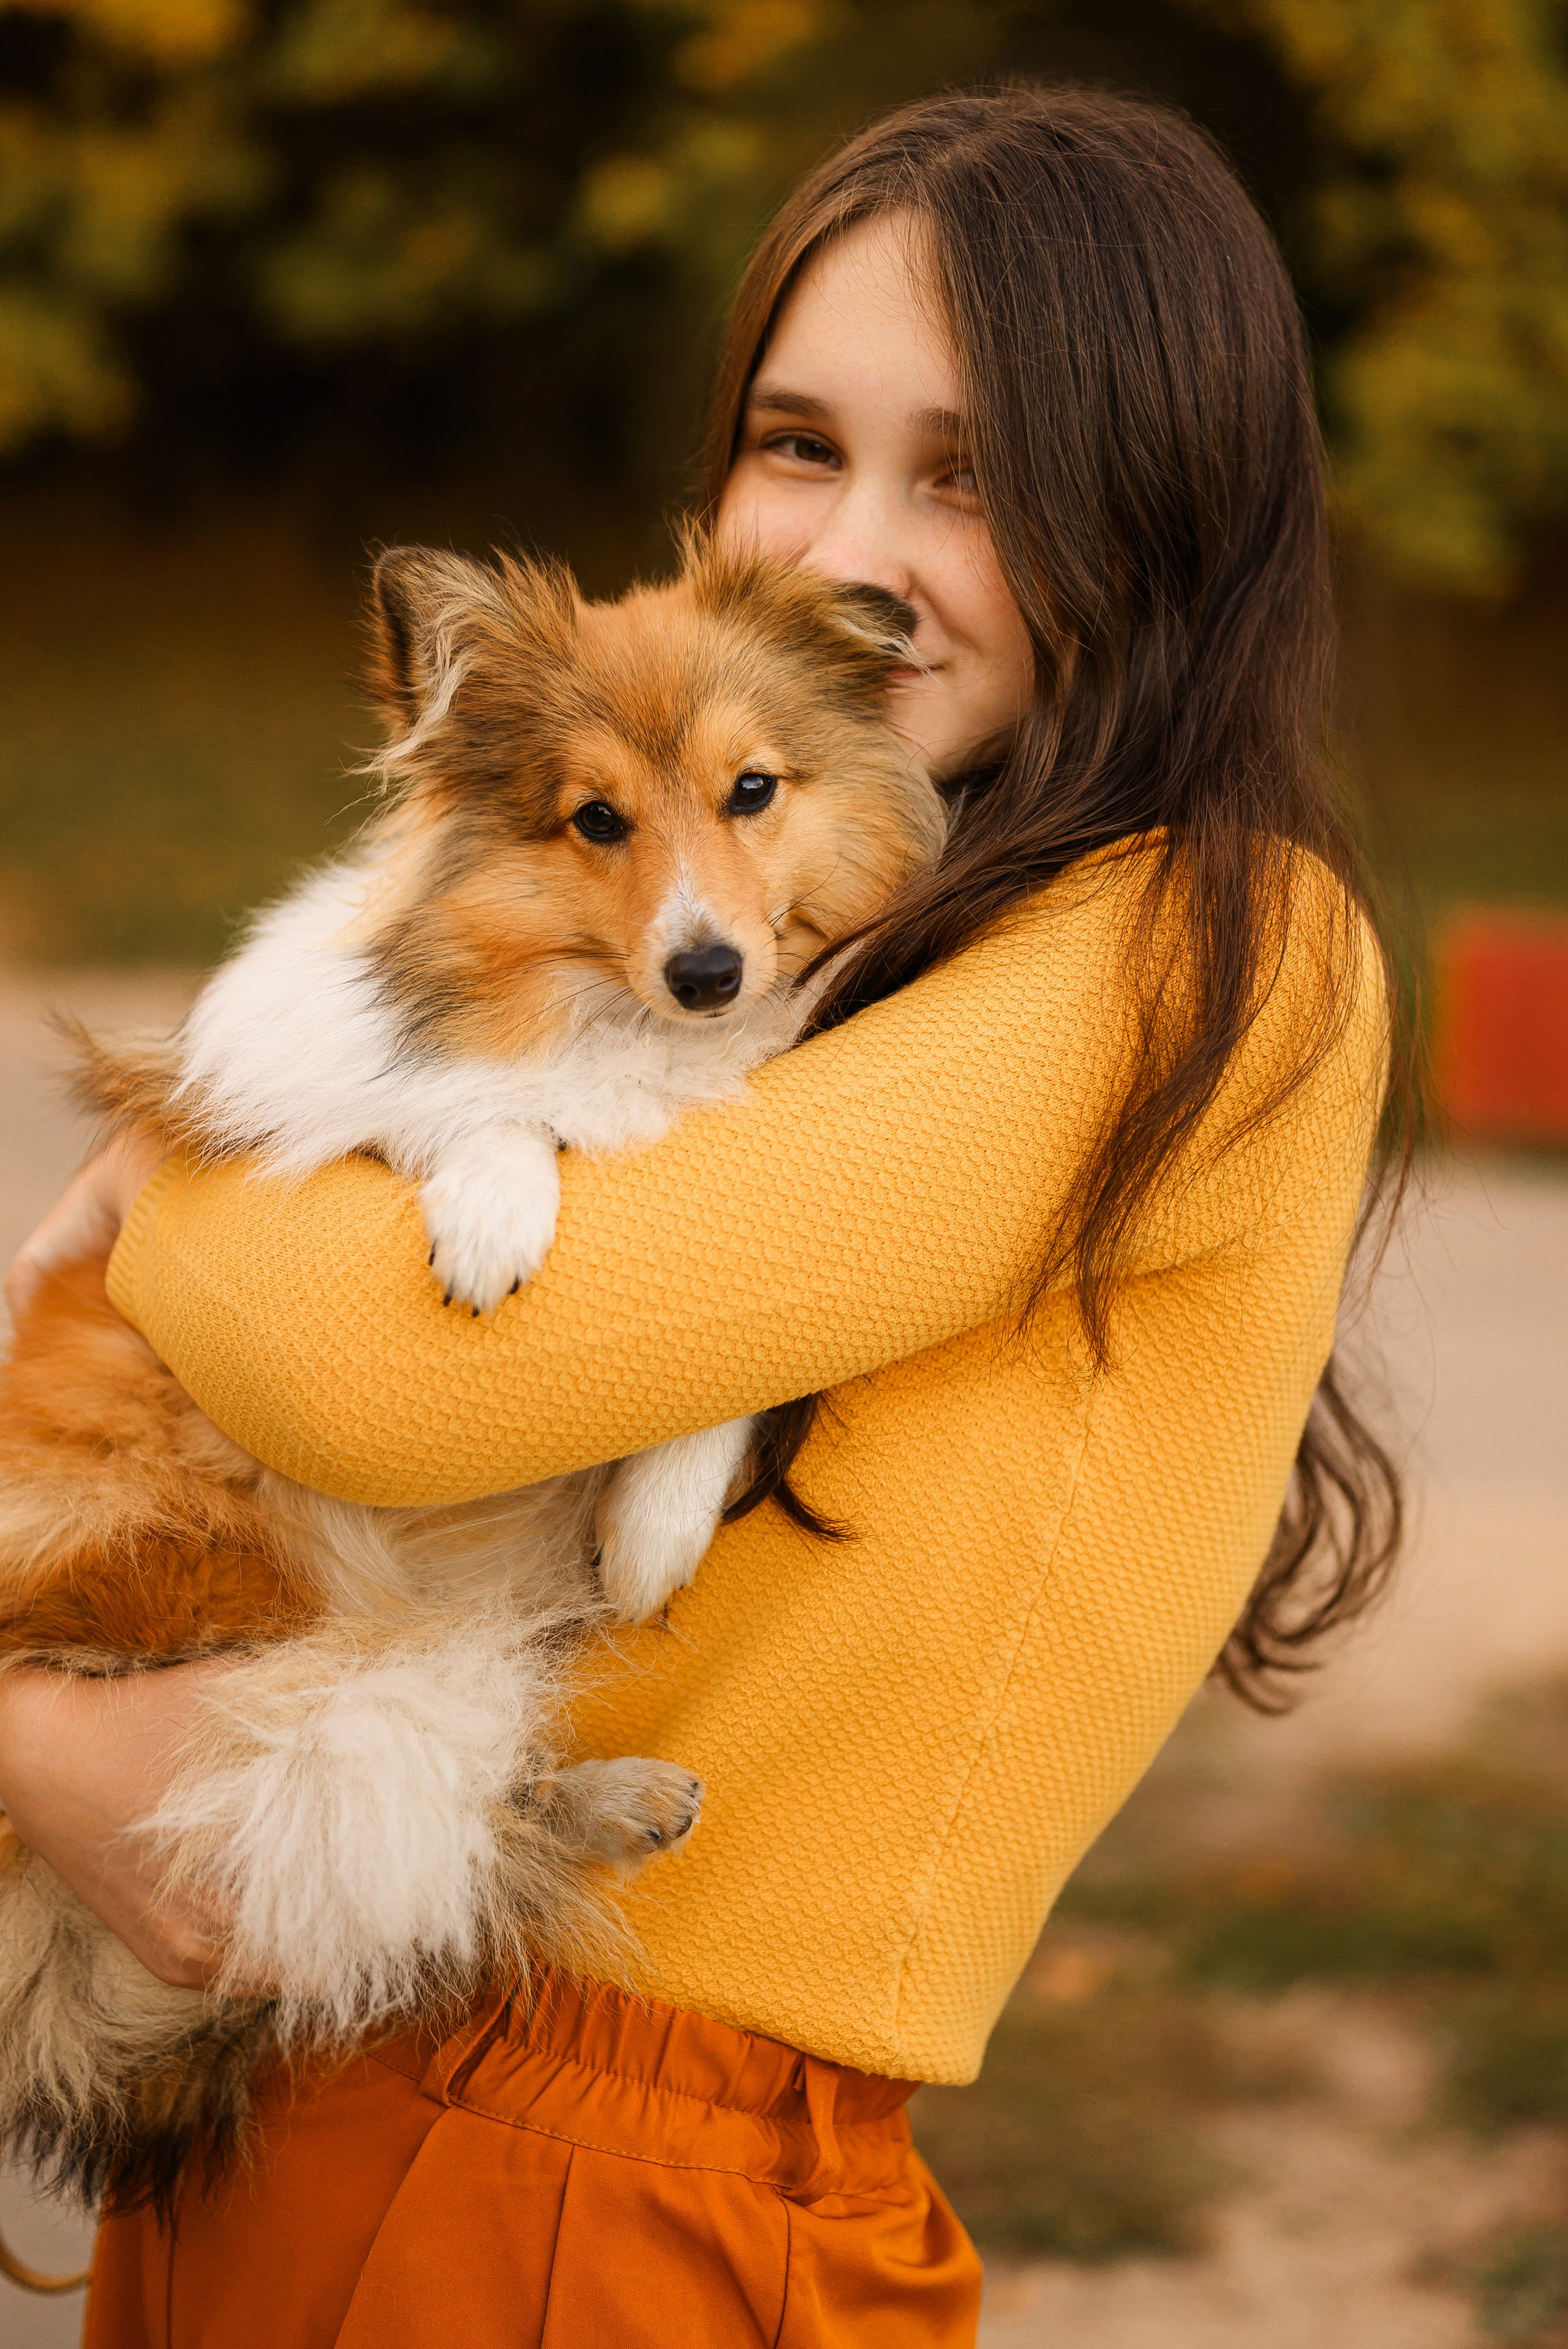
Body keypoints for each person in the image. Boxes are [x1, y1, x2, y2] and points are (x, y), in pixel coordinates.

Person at [0, 83, 1404, 2348]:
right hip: (317, 2077)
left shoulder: (1205, 953)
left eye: (969, 475)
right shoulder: (826, 923)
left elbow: (379, 1365)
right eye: (798, 443)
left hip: (605, 2181)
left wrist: (163, 1166)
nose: (859, 549)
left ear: (1159, 505)